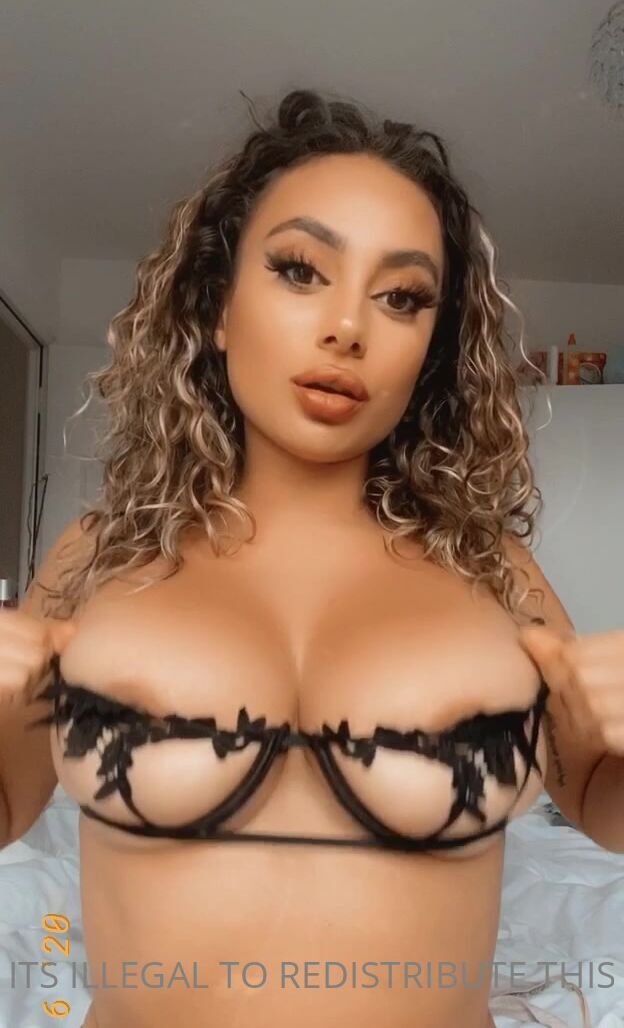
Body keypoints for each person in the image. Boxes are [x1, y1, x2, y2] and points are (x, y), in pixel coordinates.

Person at [0, 88, 622, 1028]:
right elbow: (11, 801)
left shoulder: (489, 570)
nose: (347, 328)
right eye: (300, 270)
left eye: (401, 297)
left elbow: (600, 802)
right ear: (216, 306)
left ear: (432, 349)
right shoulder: (104, 552)